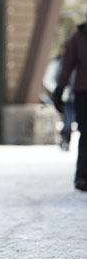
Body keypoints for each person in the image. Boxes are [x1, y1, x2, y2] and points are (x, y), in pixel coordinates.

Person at [53, 21, 87, 191]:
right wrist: (59, 89)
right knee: (86, 134)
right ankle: (82, 177)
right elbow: (67, 65)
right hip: (83, 92)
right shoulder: (78, 37)